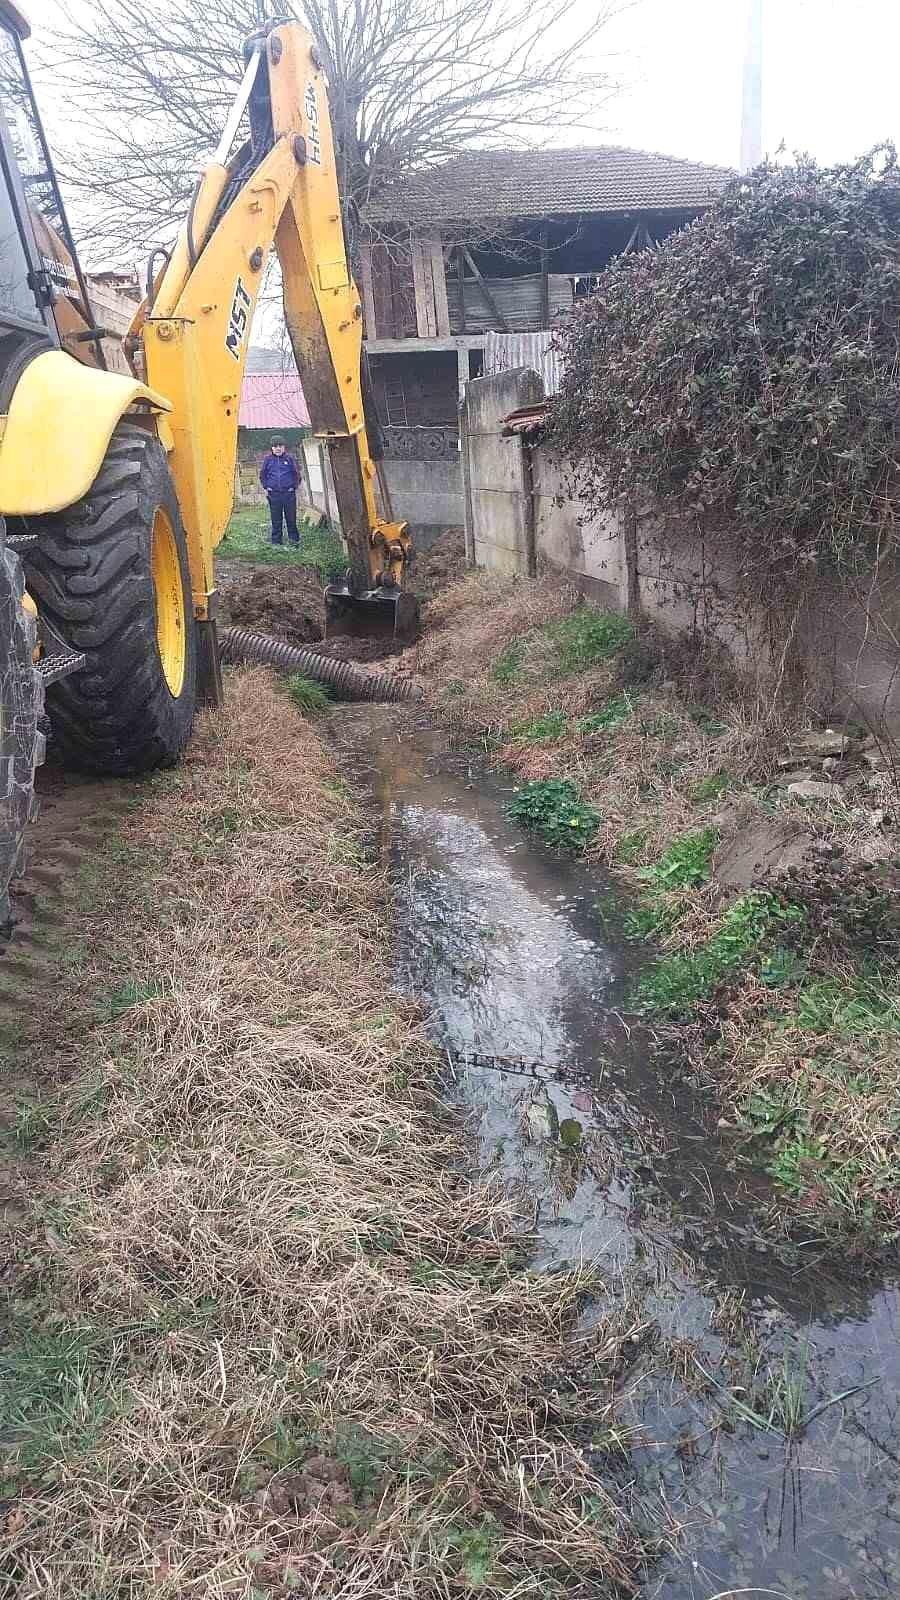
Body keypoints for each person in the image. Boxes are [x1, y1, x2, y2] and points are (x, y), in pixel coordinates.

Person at [259, 435, 301, 545]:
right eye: (275, 446)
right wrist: (266, 486)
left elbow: (296, 474)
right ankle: (276, 542)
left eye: (280, 446)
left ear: (284, 447)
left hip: (288, 494)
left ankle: (294, 540)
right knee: (276, 519)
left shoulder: (289, 459)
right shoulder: (268, 460)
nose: (278, 448)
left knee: (291, 518)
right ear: (272, 448)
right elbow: (263, 474)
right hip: (274, 495)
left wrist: (294, 487)